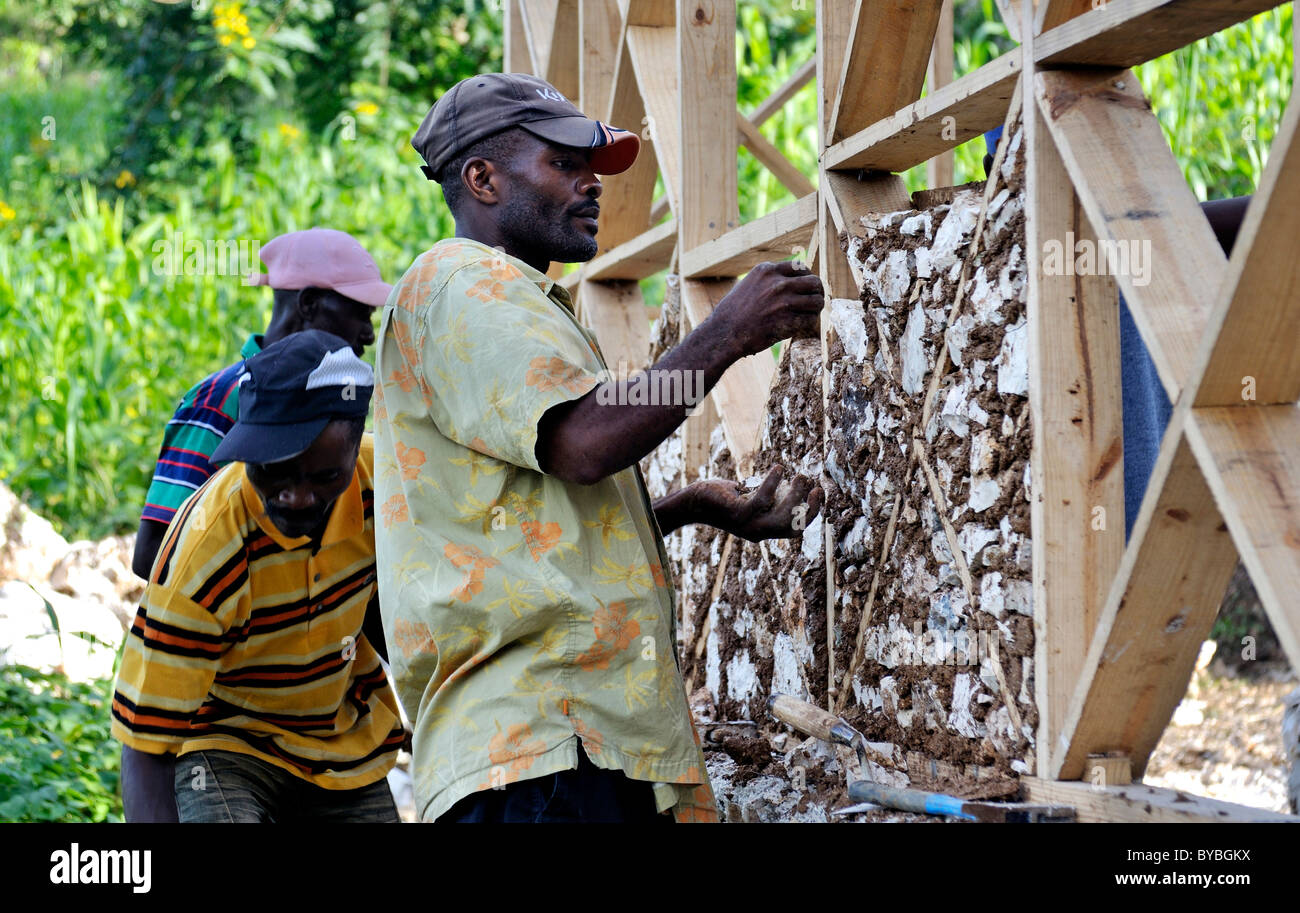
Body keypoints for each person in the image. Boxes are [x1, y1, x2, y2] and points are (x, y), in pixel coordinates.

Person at [375, 72, 824, 823]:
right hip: (539, 756)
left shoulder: (504, 298)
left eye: (594, 168)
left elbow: (525, 513)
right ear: (481, 179)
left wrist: (679, 509)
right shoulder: (464, 284)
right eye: (563, 165)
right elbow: (585, 442)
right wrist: (729, 332)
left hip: (561, 750)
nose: (591, 185)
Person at [112, 330, 406, 823]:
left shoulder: (391, 490)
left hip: (338, 743)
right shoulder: (206, 550)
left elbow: (384, 604)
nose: (295, 497)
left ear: (356, 446)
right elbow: (146, 749)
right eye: (274, 472)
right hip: (224, 739)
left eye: (324, 477)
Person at [132, 228, 393, 580]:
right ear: (309, 304)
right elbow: (155, 553)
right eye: (360, 314)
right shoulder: (221, 399)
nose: (368, 334)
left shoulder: (340, 396)